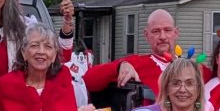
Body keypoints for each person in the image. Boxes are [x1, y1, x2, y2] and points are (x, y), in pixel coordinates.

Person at [83, 9, 211, 95]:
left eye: (167, 30)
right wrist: (119, 66)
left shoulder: (195, 68)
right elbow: (89, 81)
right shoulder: (136, 63)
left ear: (176, 33)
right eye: (156, 31)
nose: (162, 36)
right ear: (146, 35)